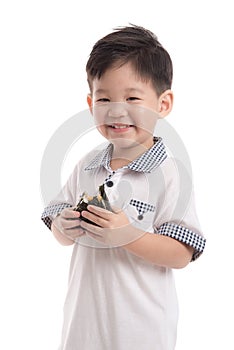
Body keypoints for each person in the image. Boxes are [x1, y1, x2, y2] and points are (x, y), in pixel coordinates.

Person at [41, 24, 206, 350]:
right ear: (91, 104)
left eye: (132, 97)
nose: (117, 110)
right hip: (82, 328)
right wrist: (65, 226)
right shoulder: (86, 165)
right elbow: (57, 229)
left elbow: (182, 253)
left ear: (163, 103)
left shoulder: (170, 173)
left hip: (141, 332)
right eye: (104, 98)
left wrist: (128, 235)